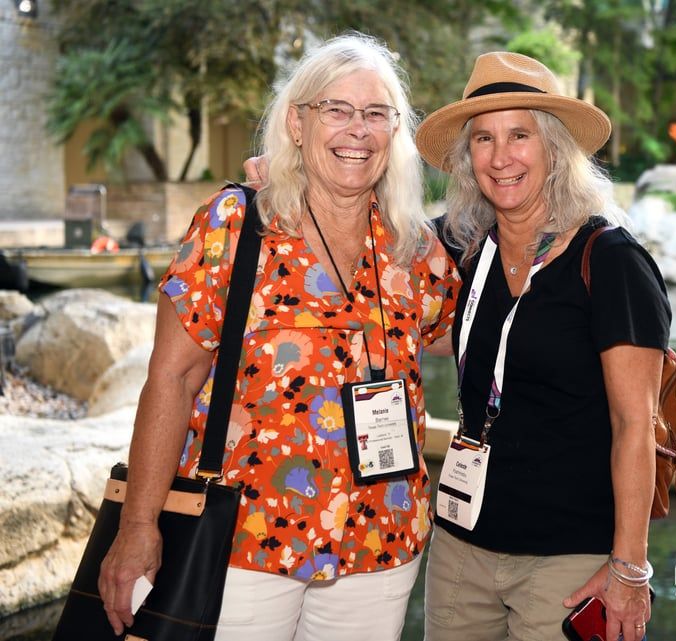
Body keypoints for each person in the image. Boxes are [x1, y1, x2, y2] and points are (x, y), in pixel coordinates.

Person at [98, 33, 460, 641]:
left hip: (381, 540)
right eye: (336, 110)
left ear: (395, 131)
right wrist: (138, 526)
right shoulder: (236, 223)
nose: (358, 130)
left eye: (376, 114)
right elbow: (172, 376)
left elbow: (454, 335)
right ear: (297, 121)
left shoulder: (415, 247)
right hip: (242, 535)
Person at [414, 52, 671, 641]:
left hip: (567, 562)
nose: (500, 157)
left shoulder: (609, 262)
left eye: (519, 135)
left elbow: (637, 424)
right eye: (483, 138)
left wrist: (629, 569)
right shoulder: (465, 247)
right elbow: (366, 234)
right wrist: (281, 178)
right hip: (461, 549)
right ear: (466, 157)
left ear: (554, 148)